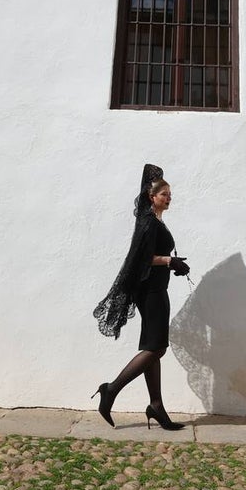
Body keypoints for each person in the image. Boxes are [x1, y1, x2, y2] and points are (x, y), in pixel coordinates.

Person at [92, 164, 190, 431]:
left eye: (170, 194)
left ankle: (156, 405)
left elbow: (153, 256)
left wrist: (172, 264)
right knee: (156, 348)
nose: (168, 198)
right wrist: (170, 261)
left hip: (157, 288)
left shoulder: (155, 221)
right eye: (164, 194)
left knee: (153, 348)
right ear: (151, 196)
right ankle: (111, 390)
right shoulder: (148, 222)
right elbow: (143, 259)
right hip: (151, 291)